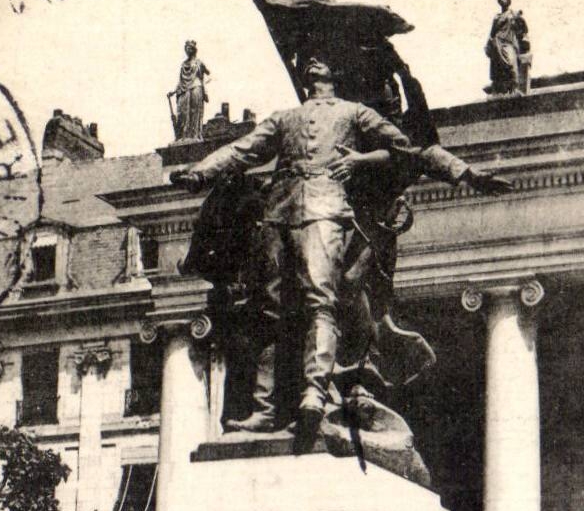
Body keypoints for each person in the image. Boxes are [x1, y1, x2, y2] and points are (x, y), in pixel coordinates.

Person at [172, 54, 510, 445]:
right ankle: (266, 410)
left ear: (337, 74)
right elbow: (241, 149)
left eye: (323, 59)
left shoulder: (355, 112)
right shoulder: (284, 117)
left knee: (322, 301)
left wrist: (464, 173)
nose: (314, 62)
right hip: (279, 213)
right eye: (310, 61)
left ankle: (315, 395)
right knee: (270, 311)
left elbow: (409, 149)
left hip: (326, 209)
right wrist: (198, 173)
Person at [485, 0, 532, 96]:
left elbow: (523, 28)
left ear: (508, 1)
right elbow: (492, 33)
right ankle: (500, 90)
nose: (503, 0)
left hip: (509, 42)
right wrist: (488, 45)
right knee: (498, 67)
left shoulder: (513, 14)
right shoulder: (497, 17)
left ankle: (514, 88)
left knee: (511, 63)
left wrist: (519, 21)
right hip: (497, 43)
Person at [171, 40, 210, 140]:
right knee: (183, 112)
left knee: (194, 112)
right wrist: (173, 91)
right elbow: (180, 81)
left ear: (193, 49)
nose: (187, 51)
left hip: (196, 87)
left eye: (189, 48)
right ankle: (184, 136)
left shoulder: (199, 62)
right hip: (184, 89)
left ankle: (194, 136)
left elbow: (209, 74)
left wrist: (204, 87)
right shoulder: (183, 64)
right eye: (186, 49)